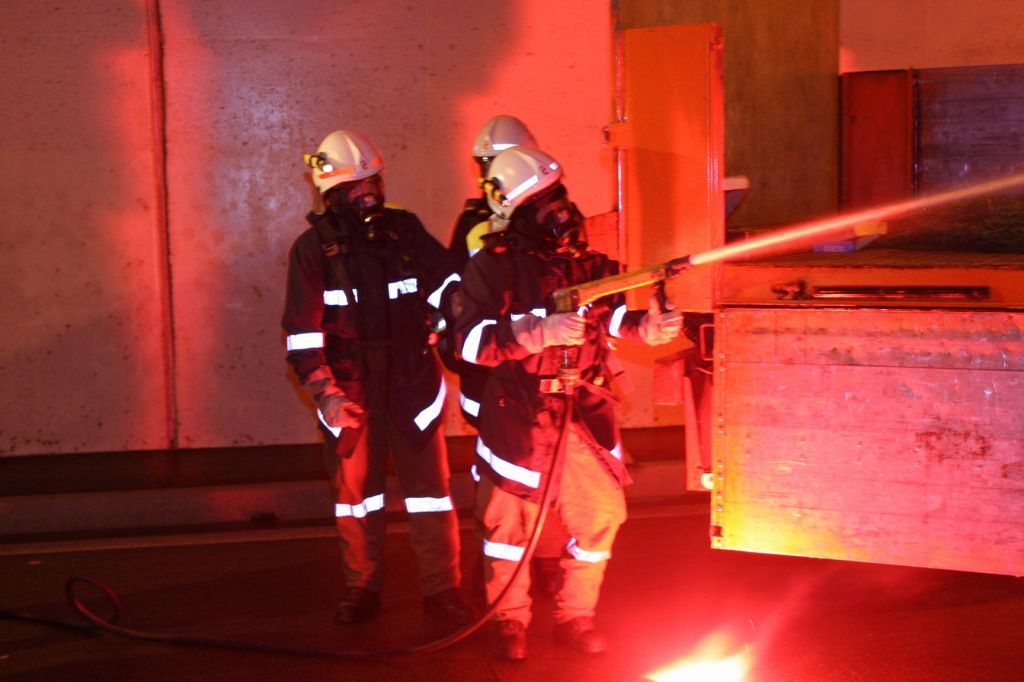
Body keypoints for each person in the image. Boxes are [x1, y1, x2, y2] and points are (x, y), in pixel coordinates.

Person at [452, 146, 683, 659]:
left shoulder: (589, 264)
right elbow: (467, 343)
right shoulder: (491, 269)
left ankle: (575, 616)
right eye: (545, 203)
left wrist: (649, 328)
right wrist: (537, 332)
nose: (561, 211)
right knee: (508, 530)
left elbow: (614, 317)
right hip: (519, 418)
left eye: (560, 197)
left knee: (601, 517)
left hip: (581, 414)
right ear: (518, 213)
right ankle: (509, 622)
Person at [282, 129, 471, 626]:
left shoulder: (404, 232)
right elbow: (302, 335)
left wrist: (448, 317)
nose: (369, 195)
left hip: (412, 382)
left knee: (430, 493)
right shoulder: (312, 251)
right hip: (350, 390)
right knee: (356, 497)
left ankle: (442, 589)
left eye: (373, 183)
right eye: (356, 188)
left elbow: (447, 282)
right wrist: (326, 395)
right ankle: (362, 585)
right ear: (332, 195)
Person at [444, 116, 567, 600]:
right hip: (492, 376)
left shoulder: (545, 222)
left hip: (536, 375)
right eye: (490, 166)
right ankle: (500, 565)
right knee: (498, 479)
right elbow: (460, 298)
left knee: (544, 471)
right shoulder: (478, 227)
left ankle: (541, 561)